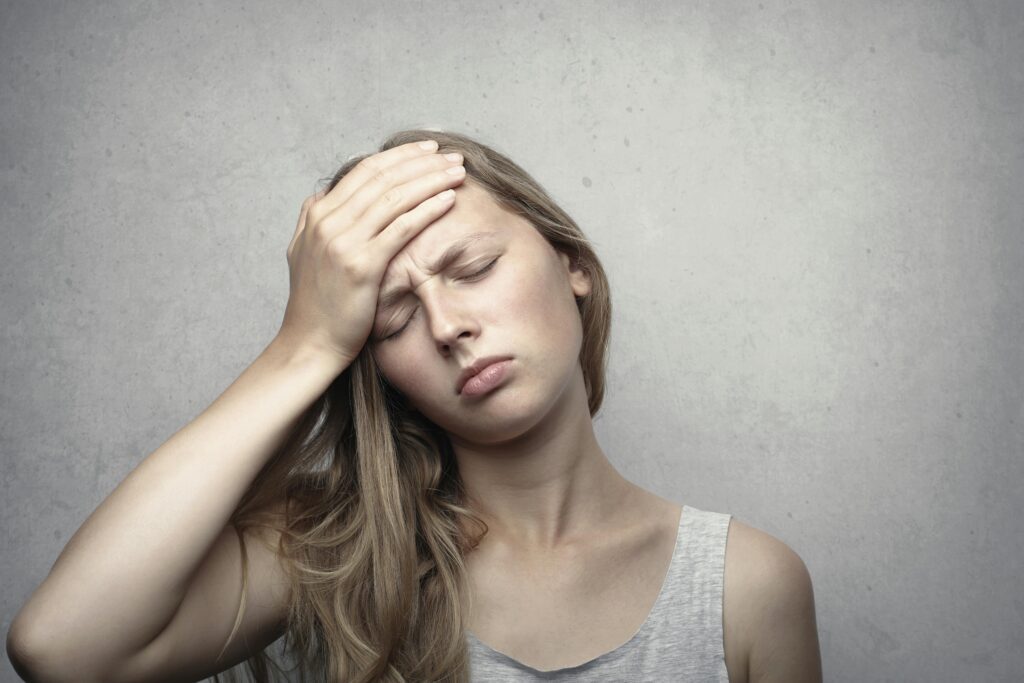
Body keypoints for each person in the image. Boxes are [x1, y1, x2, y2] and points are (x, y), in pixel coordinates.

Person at [7, 130, 823, 682]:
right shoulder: (335, 554)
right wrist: (306, 343)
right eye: (392, 317)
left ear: (571, 263)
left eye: (471, 266)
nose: (447, 324)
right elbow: (60, 648)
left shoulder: (744, 585)